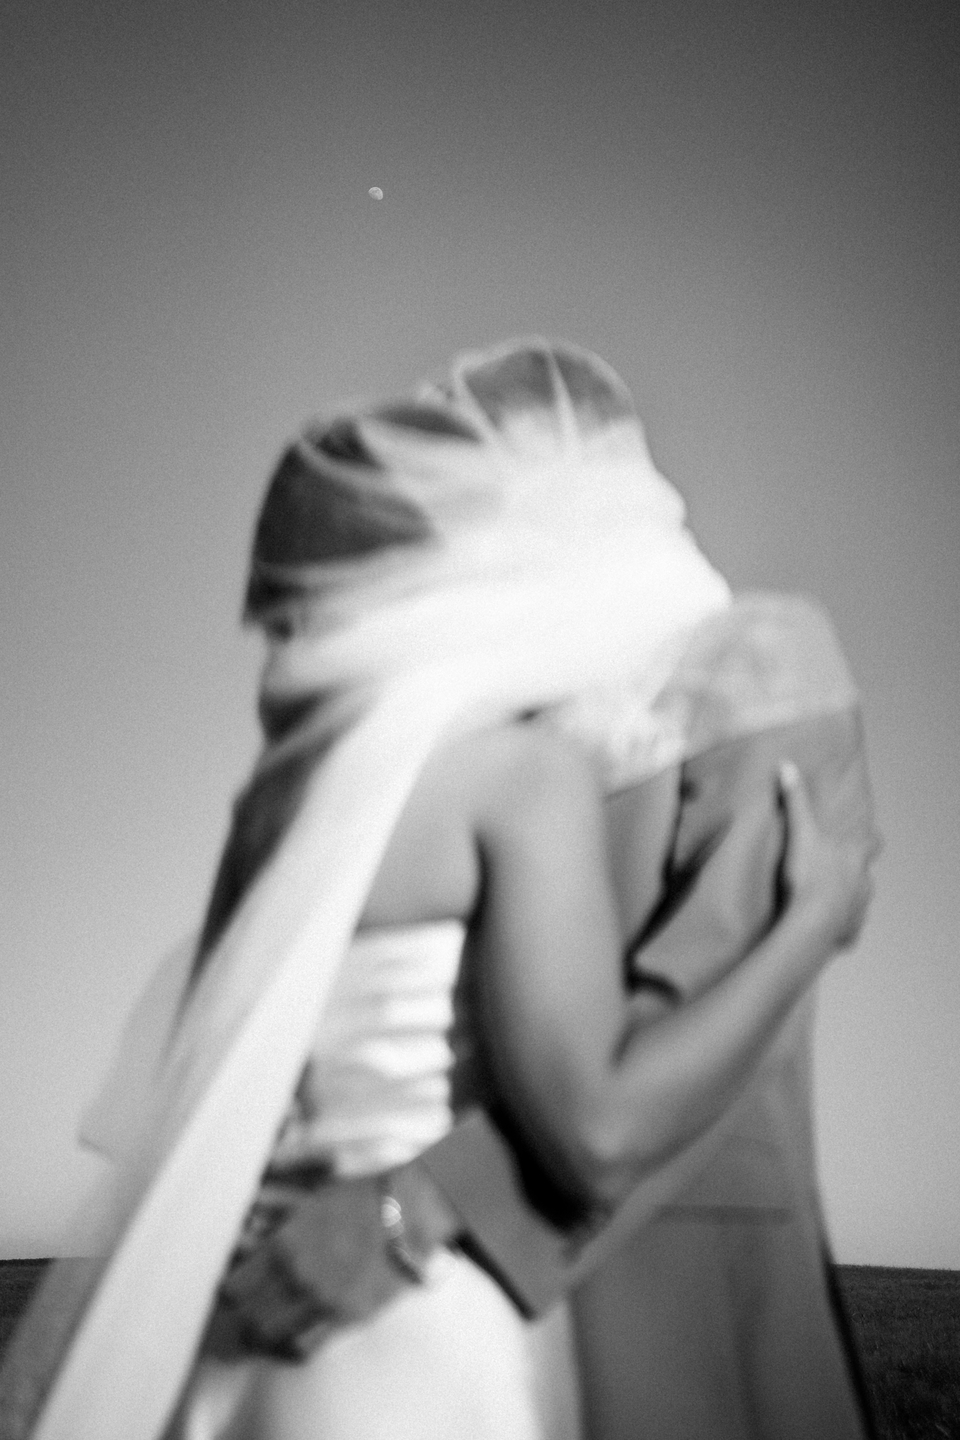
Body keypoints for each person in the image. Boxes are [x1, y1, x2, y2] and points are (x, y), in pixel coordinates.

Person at [0, 340, 878, 1440]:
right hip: (420, 1281)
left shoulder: (755, 657)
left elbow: (700, 996)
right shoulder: (488, 733)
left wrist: (415, 1204)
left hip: (653, 1262)